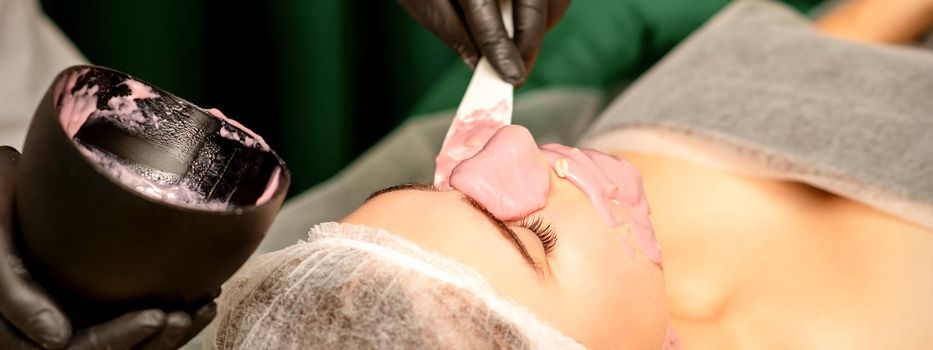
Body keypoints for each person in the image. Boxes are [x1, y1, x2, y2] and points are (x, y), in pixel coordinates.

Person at [209, 0, 933, 349]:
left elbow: (822, 54)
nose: (517, 145)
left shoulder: (628, 204)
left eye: (433, 185)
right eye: (534, 239)